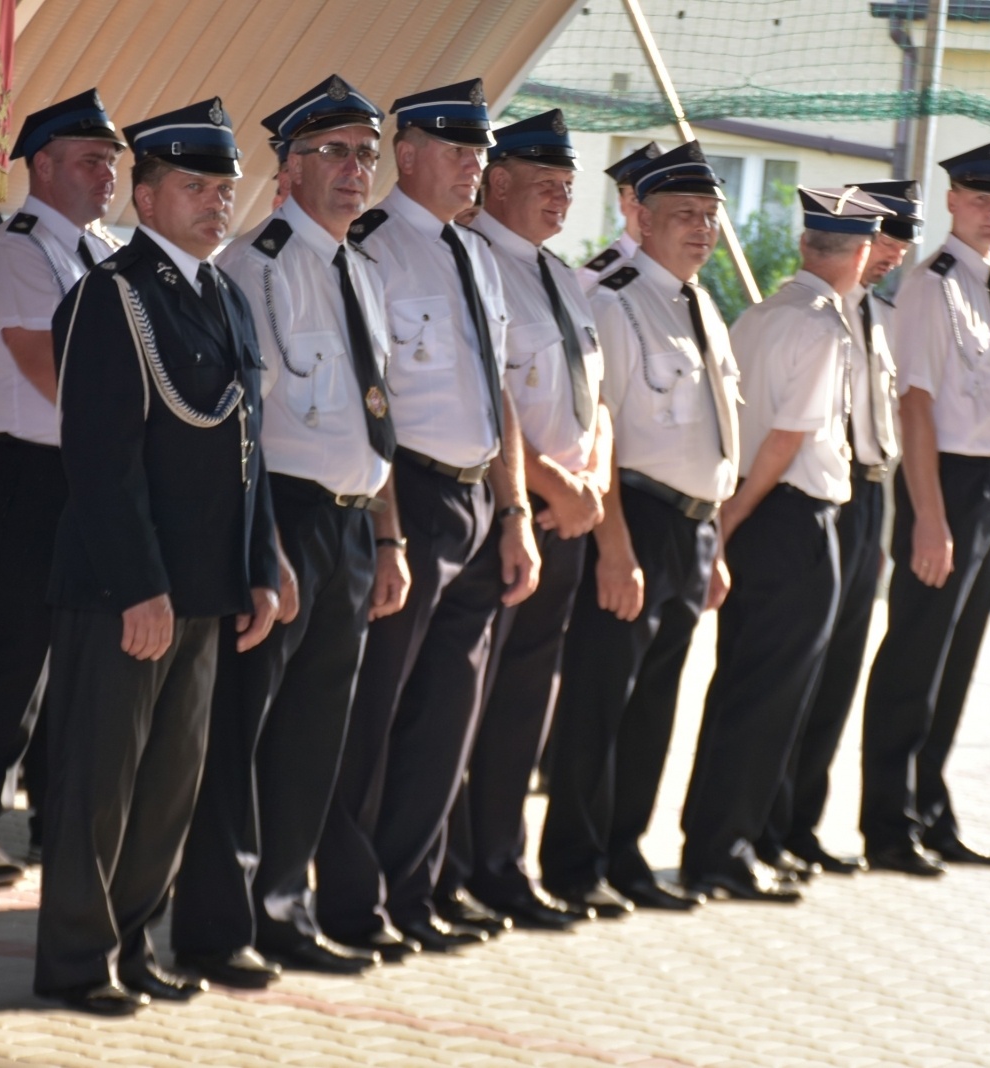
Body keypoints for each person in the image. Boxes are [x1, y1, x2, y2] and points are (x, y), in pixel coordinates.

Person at [33, 98, 282, 1016]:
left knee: (170, 790)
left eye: (224, 187)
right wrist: (139, 585)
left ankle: (135, 943)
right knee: (98, 788)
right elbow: (99, 459)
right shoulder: (112, 295)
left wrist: (262, 564)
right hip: (126, 589)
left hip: (208, 589)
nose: (217, 203)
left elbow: (248, 450)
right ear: (143, 195)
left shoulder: (223, 293)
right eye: (193, 186)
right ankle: (75, 961)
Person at [170, 75, 406, 985]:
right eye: (335, 154)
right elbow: (243, 430)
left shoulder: (365, 273)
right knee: (240, 731)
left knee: (313, 737)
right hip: (281, 520)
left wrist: (389, 539)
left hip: (350, 527)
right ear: (292, 167)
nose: (355, 172)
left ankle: (283, 911)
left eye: (365, 156)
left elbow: (374, 418)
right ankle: (216, 928)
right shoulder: (254, 267)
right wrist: (265, 542)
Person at [314, 78, 540, 959]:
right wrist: (390, 531)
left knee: (446, 719)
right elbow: (372, 406)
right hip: (406, 492)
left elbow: (502, 395)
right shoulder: (370, 250)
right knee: (376, 715)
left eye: (481, 152)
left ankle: (413, 894)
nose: (475, 166)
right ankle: (347, 899)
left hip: (479, 496)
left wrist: (515, 510)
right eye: (459, 150)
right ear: (406, 155)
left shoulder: (476, 255)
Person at [0, 90, 125, 885]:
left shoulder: (102, 250)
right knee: (9, 651)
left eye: (111, 162)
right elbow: (53, 371)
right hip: (28, 470)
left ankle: (51, 815)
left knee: (75, 654)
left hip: (85, 470)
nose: (106, 175)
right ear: (41, 167)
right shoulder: (16, 252)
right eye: (89, 160)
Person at [539, 141, 739, 916]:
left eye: (710, 216)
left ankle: (625, 856)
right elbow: (604, 434)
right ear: (642, 218)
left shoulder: (699, 301)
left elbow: (715, 432)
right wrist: (615, 550)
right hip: (634, 522)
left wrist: (714, 538)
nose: (701, 230)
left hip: (690, 528)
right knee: (601, 702)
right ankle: (573, 865)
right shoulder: (613, 297)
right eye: (684, 215)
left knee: (655, 706)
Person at [680, 186, 891, 903]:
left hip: (756, 512)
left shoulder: (761, 315)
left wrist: (728, 519)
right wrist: (733, 519)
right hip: (790, 517)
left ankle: (717, 839)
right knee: (772, 697)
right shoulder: (827, 329)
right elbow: (786, 441)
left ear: (807, 245)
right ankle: (727, 851)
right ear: (860, 254)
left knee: (739, 685)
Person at [436, 110, 611, 932]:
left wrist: (593, 484)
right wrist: (544, 487)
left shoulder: (566, 278)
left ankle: (502, 867)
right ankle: (447, 870)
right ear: (495, 181)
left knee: (523, 711)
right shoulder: (479, 268)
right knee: (468, 707)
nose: (560, 201)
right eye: (546, 185)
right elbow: (496, 400)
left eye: (569, 188)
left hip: (569, 515)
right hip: (513, 513)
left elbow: (593, 398)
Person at [859, 142, 990, 877]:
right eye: (981, 200)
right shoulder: (931, 286)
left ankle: (932, 809)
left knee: (956, 663)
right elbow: (917, 407)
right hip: (946, 486)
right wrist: (928, 519)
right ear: (955, 200)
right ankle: (888, 825)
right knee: (915, 656)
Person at [762, 180, 920, 876]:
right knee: (805, 665)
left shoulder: (876, 318)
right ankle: (769, 817)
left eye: (899, 241)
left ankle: (802, 822)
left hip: (871, 493)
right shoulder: (812, 315)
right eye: (883, 238)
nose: (891, 253)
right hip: (827, 489)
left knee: (841, 669)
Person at [576, 142, 660, 293]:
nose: (645, 212)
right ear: (622, 205)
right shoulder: (592, 277)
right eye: (635, 200)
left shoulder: (679, 268)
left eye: (654, 201)